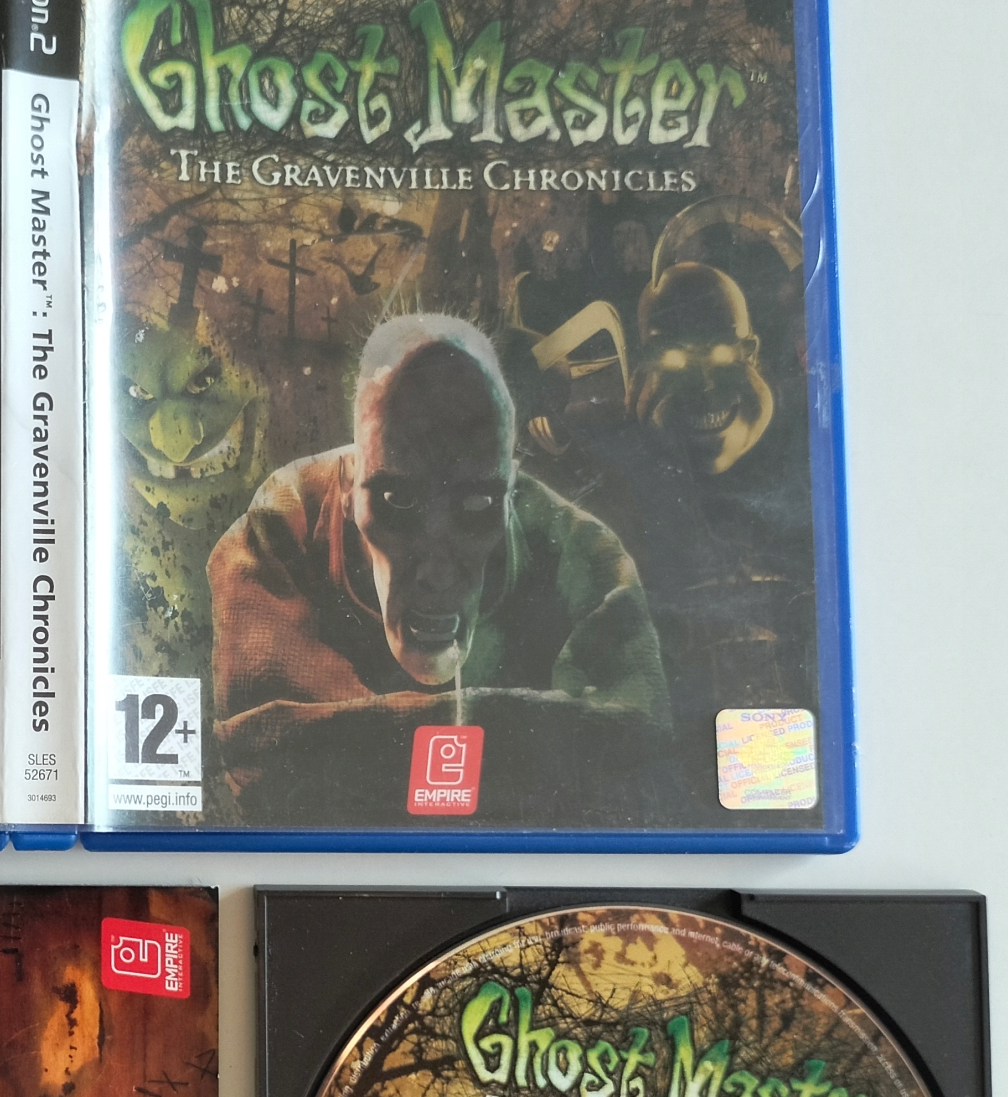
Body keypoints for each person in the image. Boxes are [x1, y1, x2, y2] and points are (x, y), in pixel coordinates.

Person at [207, 315, 671, 824]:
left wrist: (346, 741)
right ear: (348, 489)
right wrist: (530, 736)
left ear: (509, 496)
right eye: (398, 501)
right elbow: (263, 766)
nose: (436, 571)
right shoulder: (287, 519)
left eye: (476, 505)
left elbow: (634, 749)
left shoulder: (579, 548)